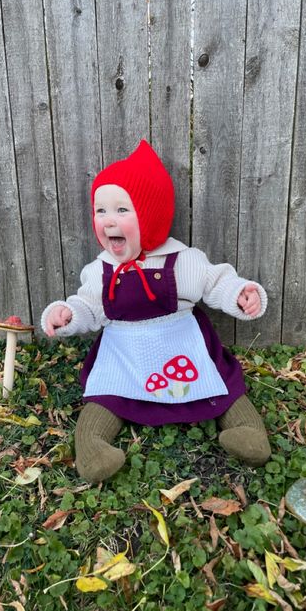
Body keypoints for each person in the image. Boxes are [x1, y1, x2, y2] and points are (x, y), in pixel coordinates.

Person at [42, 140, 271, 483]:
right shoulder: (100, 269)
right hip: (124, 352)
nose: (108, 221)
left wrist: (239, 293)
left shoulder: (183, 260)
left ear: (149, 214)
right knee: (106, 395)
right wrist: (68, 314)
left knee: (220, 386)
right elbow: (89, 305)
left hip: (179, 343)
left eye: (122, 210)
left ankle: (247, 430)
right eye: (100, 210)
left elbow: (215, 282)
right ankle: (92, 446)